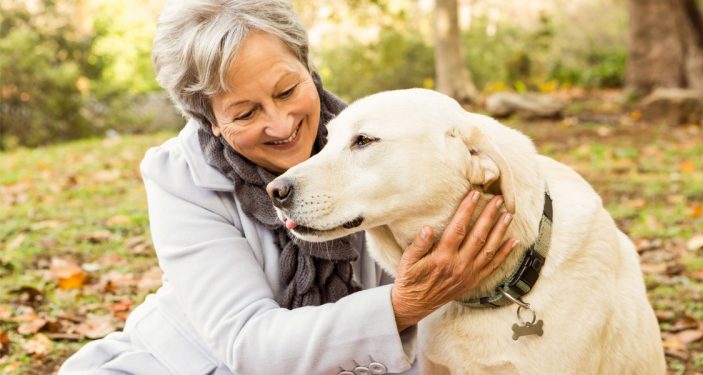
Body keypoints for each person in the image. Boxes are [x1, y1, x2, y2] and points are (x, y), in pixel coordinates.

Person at [59, 1, 516, 374]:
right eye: (244, 113)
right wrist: (401, 305)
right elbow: (248, 344)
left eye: (286, 91)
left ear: (308, 69)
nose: (281, 125)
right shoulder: (177, 177)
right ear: (211, 124)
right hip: (191, 362)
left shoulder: (390, 138)